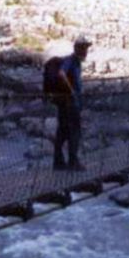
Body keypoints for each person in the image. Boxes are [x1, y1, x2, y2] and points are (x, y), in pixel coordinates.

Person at [53, 36, 91, 171]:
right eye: (84, 48)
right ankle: (73, 162)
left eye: (86, 48)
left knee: (63, 132)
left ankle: (58, 162)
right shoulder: (71, 61)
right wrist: (72, 91)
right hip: (70, 104)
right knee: (74, 132)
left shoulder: (75, 62)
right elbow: (61, 73)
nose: (86, 52)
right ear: (77, 49)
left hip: (65, 103)